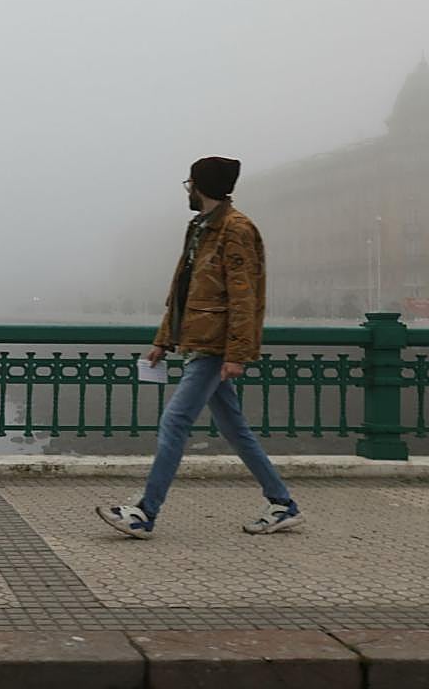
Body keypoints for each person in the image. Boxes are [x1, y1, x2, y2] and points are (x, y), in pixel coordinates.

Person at [96, 156, 304, 538]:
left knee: (174, 422)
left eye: (189, 183)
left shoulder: (235, 229)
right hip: (201, 341)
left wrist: (237, 353)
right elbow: (184, 290)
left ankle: (145, 512)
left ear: (202, 186)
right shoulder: (201, 228)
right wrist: (163, 339)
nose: (187, 190)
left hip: (215, 347)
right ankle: (282, 503)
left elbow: (244, 296)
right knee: (236, 430)